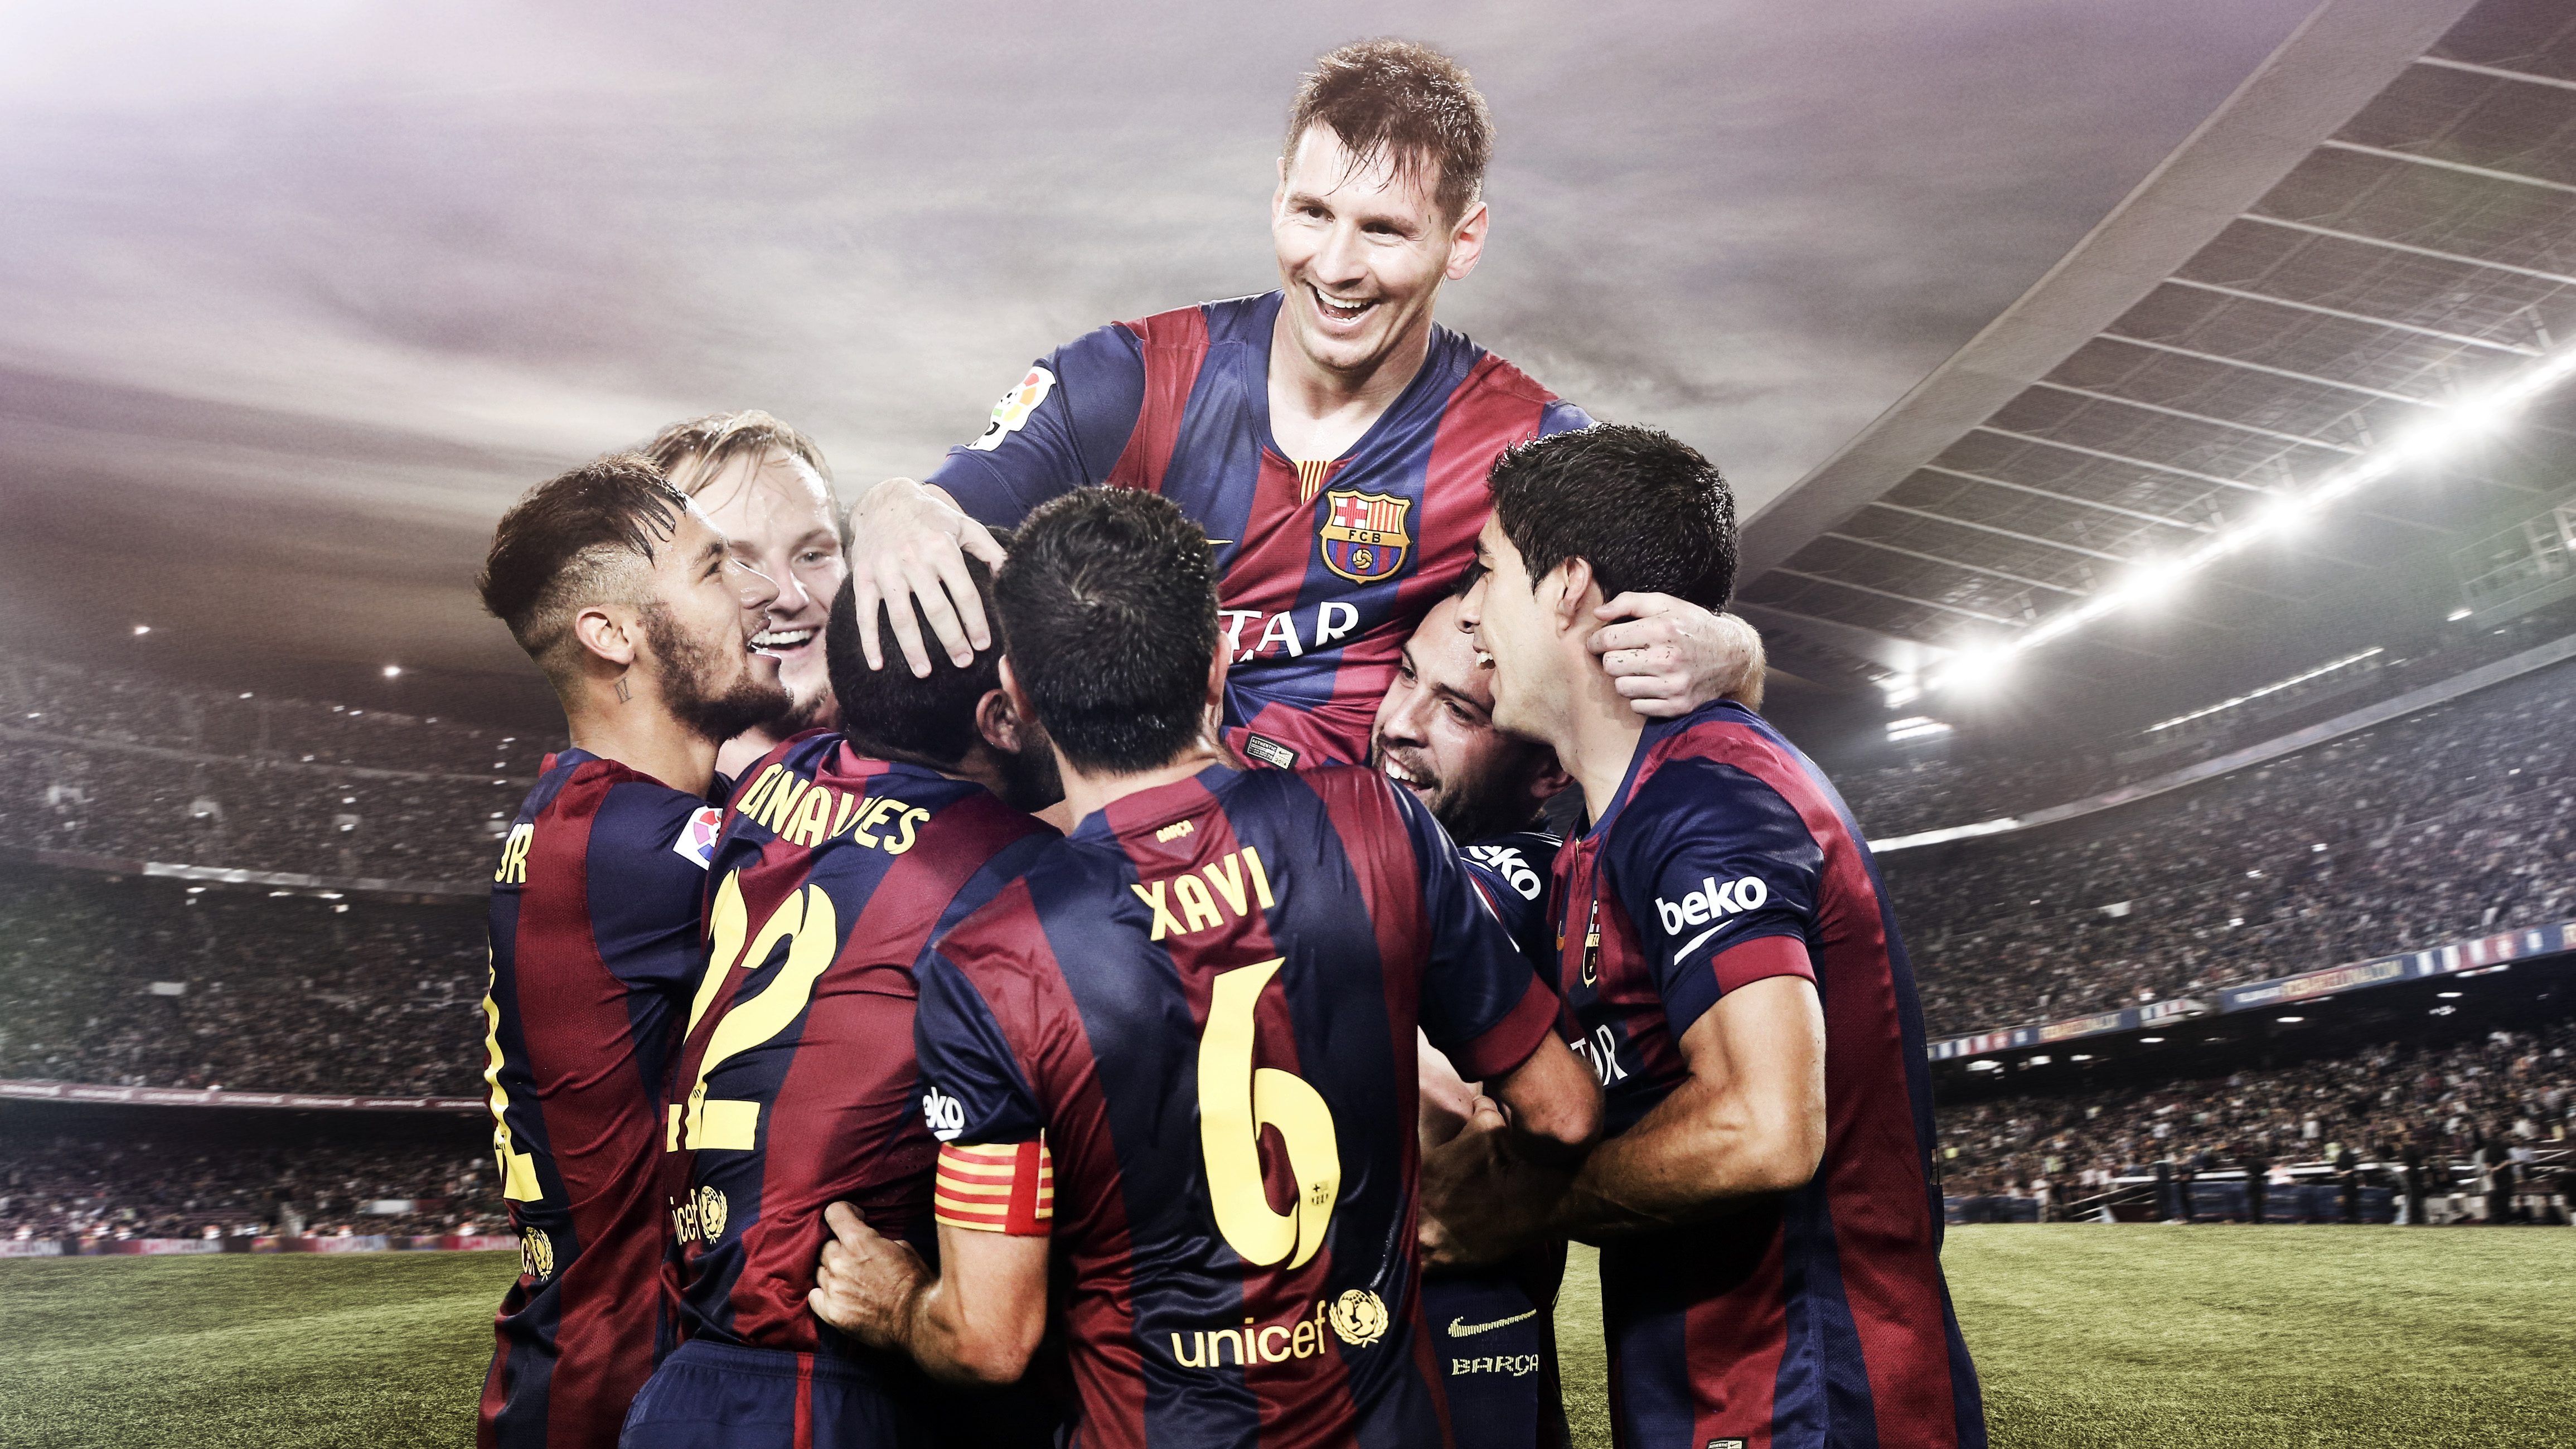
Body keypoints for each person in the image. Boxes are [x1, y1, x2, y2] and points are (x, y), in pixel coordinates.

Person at [807, 488, 1601, 1448]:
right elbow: (1564, 1110)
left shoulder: (992, 960)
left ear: (1018, 696)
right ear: (1221, 659)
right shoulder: (1374, 823)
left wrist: (898, 1302)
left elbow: (987, 1337)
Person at [839, 38, 1754, 768]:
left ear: (1464, 239)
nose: (1337, 265)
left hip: (1354, 884)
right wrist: (892, 504)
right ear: (1278, 192)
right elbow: (941, 509)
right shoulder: (1126, 377)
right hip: (1109, 855)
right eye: (1313, 213)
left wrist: (1735, 655)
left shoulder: (1527, 445)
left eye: (1384, 230)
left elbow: (1667, 649)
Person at [1440, 424, 1986, 1449]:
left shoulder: (1707, 797)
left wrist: (1524, 1204)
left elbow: (1762, 1125)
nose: (1471, 609)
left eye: (1487, 569)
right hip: (1717, 1398)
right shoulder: (1612, 824)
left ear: (1568, 587)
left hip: (1810, 1403)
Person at [622, 545, 1064, 1449]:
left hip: (686, 1374)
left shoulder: (777, 778)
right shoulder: (1017, 875)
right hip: (826, 1370)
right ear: (998, 716)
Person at [472, 454, 790, 1449]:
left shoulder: (602, 821)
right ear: (612, 635)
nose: (760, 593)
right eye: (714, 568)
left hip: (579, 1372)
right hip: (612, 1402)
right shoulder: (629, 852)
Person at [1373, 590, 1575, 1448]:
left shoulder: (1516, 878)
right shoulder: (1406, 850)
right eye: (1404, 675)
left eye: (1459, 710)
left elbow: (1432, 1090)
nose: (1400, 723)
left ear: (1548, 769)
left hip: (1451, 1362)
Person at [647, 411, 849, 779]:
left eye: (812, 556)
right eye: (733, 565)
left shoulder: (946, 770)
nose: (789, 597)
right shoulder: (616, 807)